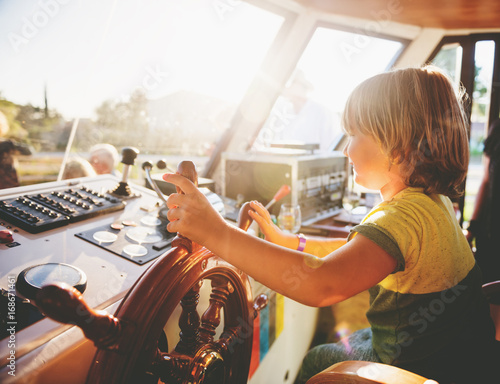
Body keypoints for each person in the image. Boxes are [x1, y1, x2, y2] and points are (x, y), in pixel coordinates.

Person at [162, 66, 498, 384]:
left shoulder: (401, 217)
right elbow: (354, 255)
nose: (347, 149)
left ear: (398, 146)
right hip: (464, 355)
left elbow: (323, 284)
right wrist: (293, 243)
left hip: (418, 368)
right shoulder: (431, 203)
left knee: (317, 360)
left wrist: (214, 231)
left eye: (355, 134)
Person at [466, 119, 500, 283]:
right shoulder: (497, 131)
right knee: (488, 291)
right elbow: (486, 182)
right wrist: (472, 228)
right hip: (490, 231)